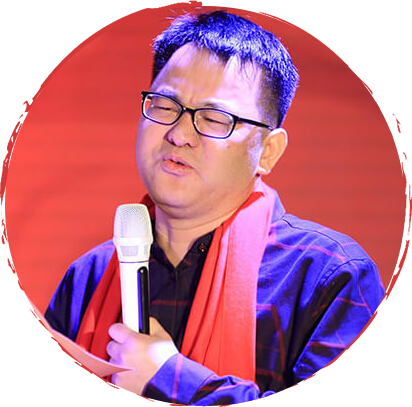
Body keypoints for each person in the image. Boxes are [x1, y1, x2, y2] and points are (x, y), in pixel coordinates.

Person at [4, 10, 394, 407]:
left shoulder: (328, 275)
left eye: (213, 118)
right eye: (165, 105)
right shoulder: (90, 275)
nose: (179, 134)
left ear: (268, 151)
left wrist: (169, 380)